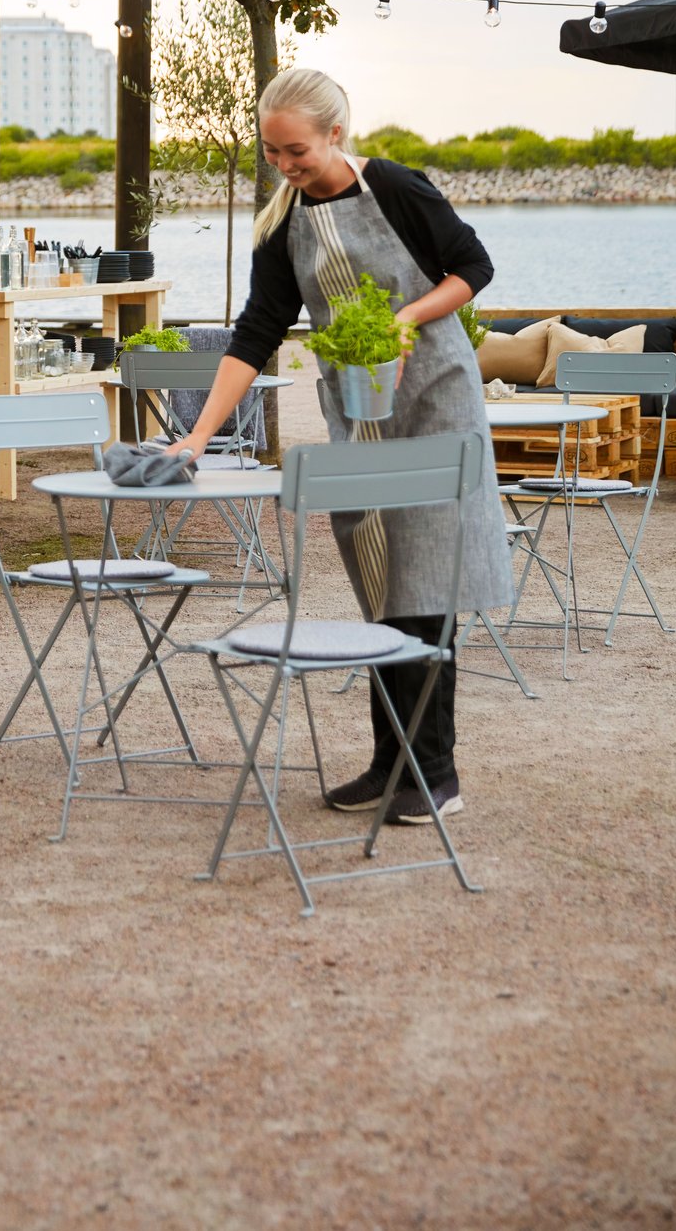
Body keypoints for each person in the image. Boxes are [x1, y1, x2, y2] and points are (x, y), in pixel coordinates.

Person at [166, 68, 511, 824]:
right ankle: (391, 764)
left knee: (430, 592)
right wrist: (196, 435)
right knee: (384, 586)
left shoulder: (394, 186)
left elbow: (474, 268)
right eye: (272, 154)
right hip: (359, 414)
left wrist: (403, 319)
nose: (285, 166)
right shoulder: (281, 225)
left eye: (297, 152)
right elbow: (255, 334)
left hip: (436, 401)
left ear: (335, 134)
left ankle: (435, 773)